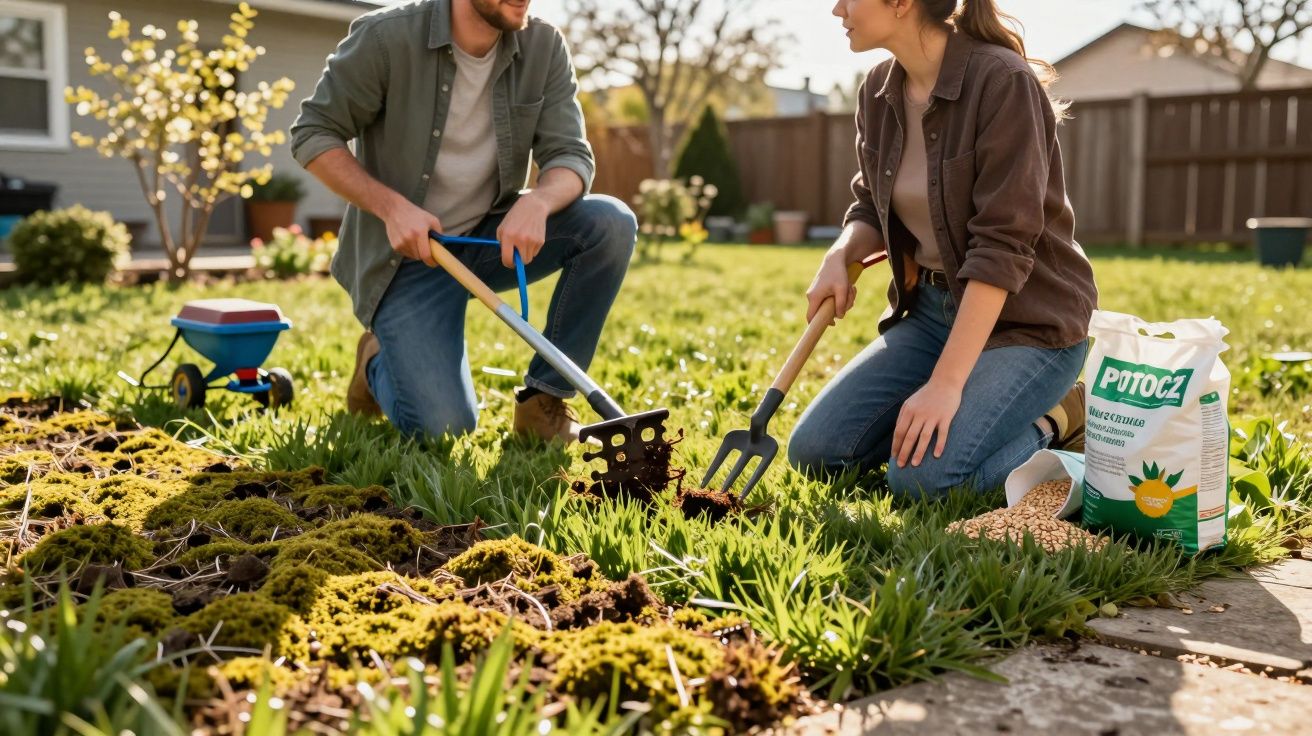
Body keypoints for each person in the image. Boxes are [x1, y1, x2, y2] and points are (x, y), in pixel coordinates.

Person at [788, 0, 1099, 497]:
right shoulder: (878, 90)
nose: (836, 9)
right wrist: (839, 255)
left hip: (1028, 326)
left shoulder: (1002, 82)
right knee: (817, 453)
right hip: (931, 315)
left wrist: (946, 385)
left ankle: (1061, 419)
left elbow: (1002, 246)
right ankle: (958, 424)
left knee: (924, 481)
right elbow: (871, 202)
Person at [290, 0, 637, 444]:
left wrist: (538, 202)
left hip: (491, 239)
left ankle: (543, 402)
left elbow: (570, 154)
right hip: (409, 258)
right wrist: (392, 207)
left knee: (610, 223)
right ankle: (375, 360)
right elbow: (313, 132)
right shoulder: (384, 38)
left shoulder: (543, 44)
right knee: (445, 429)